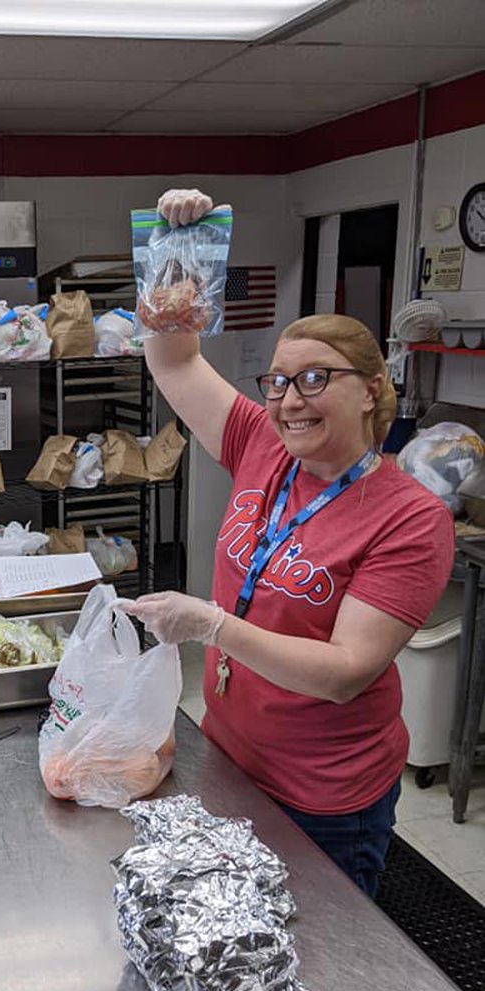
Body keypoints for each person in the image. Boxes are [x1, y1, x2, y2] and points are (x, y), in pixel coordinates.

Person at [128, 187, 455, 898]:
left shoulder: (409, 517)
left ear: (371, 391)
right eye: (276, 382)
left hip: (324, 794)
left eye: (314, 379)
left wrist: (213, 624)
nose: (288, 400)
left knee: (322, 969)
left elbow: (345, 671)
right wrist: (176, 247)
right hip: (228, 755)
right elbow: (176, 361)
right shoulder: (262, 445)